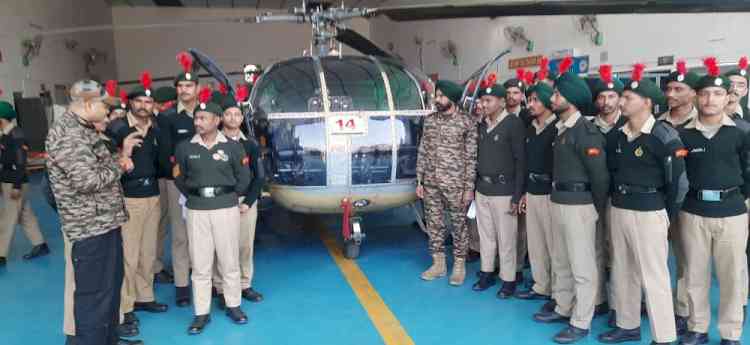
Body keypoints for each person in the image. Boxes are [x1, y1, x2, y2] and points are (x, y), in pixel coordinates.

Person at [46, 79, 142, 345]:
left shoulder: (84, 130)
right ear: (88, 103)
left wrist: (117, 158)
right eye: (104, 105)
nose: (108, 112)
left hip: (105, 224)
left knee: (109, 295)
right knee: (94, 301)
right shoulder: (68, 134)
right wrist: (121, 166)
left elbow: (96, 166)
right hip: (89, 229)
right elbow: (86, 181)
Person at [598, 64, 686, 345]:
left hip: (650, 210)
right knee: (623, 270)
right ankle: (627, 325)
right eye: (621, 97)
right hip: (620, 208)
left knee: (654, 275)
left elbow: (679, 181)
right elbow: (611, 170)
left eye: (628, 98)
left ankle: (664, 336)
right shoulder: (616, 136)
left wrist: (666, 215)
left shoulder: (664, 135)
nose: (621, 102)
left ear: (647, 102)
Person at [532, 57, 610, 344]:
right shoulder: (561, 129)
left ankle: (581, 321)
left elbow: (599, 178)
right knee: (561, 260)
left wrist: (596, 208)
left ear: (572, 99)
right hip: (559, 200)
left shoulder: (586, 132)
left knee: (582, 266)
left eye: (556, 94)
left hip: (579, 205)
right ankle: (563, 307)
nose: (552, 98)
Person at [677, 57, 750, 345]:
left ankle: (731, 333)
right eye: (705, 93)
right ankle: (697, 328)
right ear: (696, 97)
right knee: (694, 275)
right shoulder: (683, 134)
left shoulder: (742, 132)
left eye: (718, 94)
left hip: (732, 211)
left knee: (732, 276)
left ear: (727, 98)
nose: (710, 99)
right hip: (693, 211)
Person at [173, 87, 251, 334]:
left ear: (217, 121)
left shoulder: (232, 147)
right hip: (197, 209)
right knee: (201, 264)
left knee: (229, 260)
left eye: (203, 118)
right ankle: (201, 312)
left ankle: (233, 305)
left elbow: (244, 178)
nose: (198, 122)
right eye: (196, 118)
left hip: (225, 208)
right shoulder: (185, 147)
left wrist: (228, 196)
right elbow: (179, 177)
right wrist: (195, 195)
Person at [107, 74, 169, 338]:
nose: (144, 105)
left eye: (148, 101)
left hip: (152, 194)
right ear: (130, 103)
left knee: (147, 252)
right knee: (129, 255)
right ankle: (126, 305)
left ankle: (145, 296)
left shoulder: (155, 130)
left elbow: (161, 163)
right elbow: (114, 150)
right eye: (139, 101)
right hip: (129, 197)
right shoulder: (118, 128)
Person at [416, 80, 478, 286]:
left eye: (441, 96)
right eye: (437, 95)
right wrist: (420, 180)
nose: (437, 99)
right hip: (431, 182)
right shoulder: (430, 121)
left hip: (456, 184)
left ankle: (459, 266)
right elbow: (423, 151)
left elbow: (471, 157)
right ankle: (438, 264)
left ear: (452, 98)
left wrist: (468, 188)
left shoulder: (467, 122)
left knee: (459, 224)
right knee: (434, 224)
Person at [471, 79, 526, 298]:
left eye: (488, 101)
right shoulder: (482, 124)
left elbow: (521, 161)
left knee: (507, 238)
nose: (483, 104)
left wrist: (517, 195)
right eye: (482, 100)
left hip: (504, 191)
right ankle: (486, 272)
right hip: (483, 189)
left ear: (501, 102)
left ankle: (508, 279)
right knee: (486, 236)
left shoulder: (513, 124)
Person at [212, 87, 265, 305]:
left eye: (237, 114)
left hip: (245, 203)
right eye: (228, 114)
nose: (233, 118)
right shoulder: (213, 142)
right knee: (221, 247)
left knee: (244, 246)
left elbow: (258, 176)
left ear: (242, 118)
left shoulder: (250, 144)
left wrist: (249, 202)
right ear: (221, 118)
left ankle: (245, 284)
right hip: (221, 203)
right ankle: (221, 287)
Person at [158, 51, 200, 306]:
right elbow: (165, 153)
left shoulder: (207, 113)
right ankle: (182, 286)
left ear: (197, 88)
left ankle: (206, 282)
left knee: (204, 234)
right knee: (181, 236)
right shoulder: (167, 117)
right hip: (178, 184)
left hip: (206, 183)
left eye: (189, 85)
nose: (184, 90)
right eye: (180, 86)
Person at [516, 78, 558, 307]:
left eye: (535, 100)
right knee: (536, 243)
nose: (530, 104)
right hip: (532, 192)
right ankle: (541, 285)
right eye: (529, 100)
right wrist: (524, 193)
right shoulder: (530, 128)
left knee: (554, 246)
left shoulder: (557, 127)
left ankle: (556, 292)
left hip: (551, 193)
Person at [0, 100, 49, 266]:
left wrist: (15, 186)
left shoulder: (15, 135)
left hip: (15, 181)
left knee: (7, 218)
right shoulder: (6, 134)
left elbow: (21, 162)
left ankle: (1, 255)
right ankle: (40, 244)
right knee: (25, 215)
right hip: (8, 180)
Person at [152, 85, 178, 284]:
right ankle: (155, 266)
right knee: (160, 224)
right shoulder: (163, 120)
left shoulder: (158, 119)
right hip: (162, 179)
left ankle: (156, 265)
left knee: (163, 224)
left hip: (164, 177)